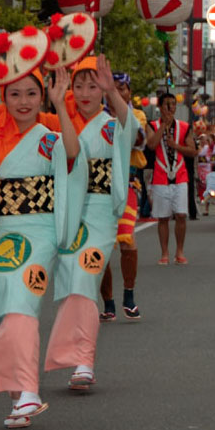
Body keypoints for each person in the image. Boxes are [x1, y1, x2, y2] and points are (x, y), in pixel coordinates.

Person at [0, 64, 85, 428]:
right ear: (2, 97)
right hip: (0, 234)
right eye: (14, 94)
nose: (23, 101)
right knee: (13, 309)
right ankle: (18, 393)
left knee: (23, 299)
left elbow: (72, 153)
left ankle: (26, 390)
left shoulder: (47, 135)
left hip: (39, 233)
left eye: (31, 93)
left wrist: (60, 107)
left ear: (42, 96)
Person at [49, 55, 137, 390]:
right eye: (79, 85)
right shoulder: (59, 122)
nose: (86, 93)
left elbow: (132, 129)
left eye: (92, 85)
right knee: (73, 283)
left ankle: (83, 360)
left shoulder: (112, 124)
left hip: (100, 213)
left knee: (86, 276)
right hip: (67, 213)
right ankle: (73, 356)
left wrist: (113, 93)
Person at [99, 71, 147, 321]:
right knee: (102, 248)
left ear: (129, 92)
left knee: (127, 239)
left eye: (122, 89)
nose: (118, 93)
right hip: (98, 189)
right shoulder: (95, 117)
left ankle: (129, 295)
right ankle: (108, 302)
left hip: (127, 185)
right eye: (113, 89)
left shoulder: (136, 116)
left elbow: (138, 140)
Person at [145, 92, 196, 265]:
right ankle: (165, 252)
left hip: (180, 175)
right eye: (167, 104)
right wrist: (162, 126)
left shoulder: (184, 126)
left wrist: (177, 146)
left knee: (181, 215)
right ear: (160, 107)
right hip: (161, 176)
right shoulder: (152, 125)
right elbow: (151, 145)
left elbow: (193, 150)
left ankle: (180, 251)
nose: (170, 107)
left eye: (173, 104)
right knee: (163, 217)